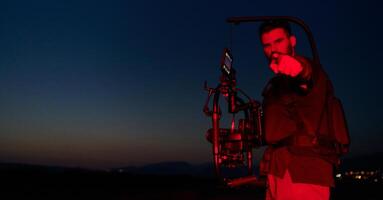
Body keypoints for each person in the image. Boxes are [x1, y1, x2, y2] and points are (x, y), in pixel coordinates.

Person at [259, 20, 337, 200]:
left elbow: (305, 74)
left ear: (292, 41)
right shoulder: (275, 85)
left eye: (279, 41)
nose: (273, 49)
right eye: (267, 45)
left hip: (304, 171)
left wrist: (297, 68)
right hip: (278, 170)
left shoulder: (312, 71)